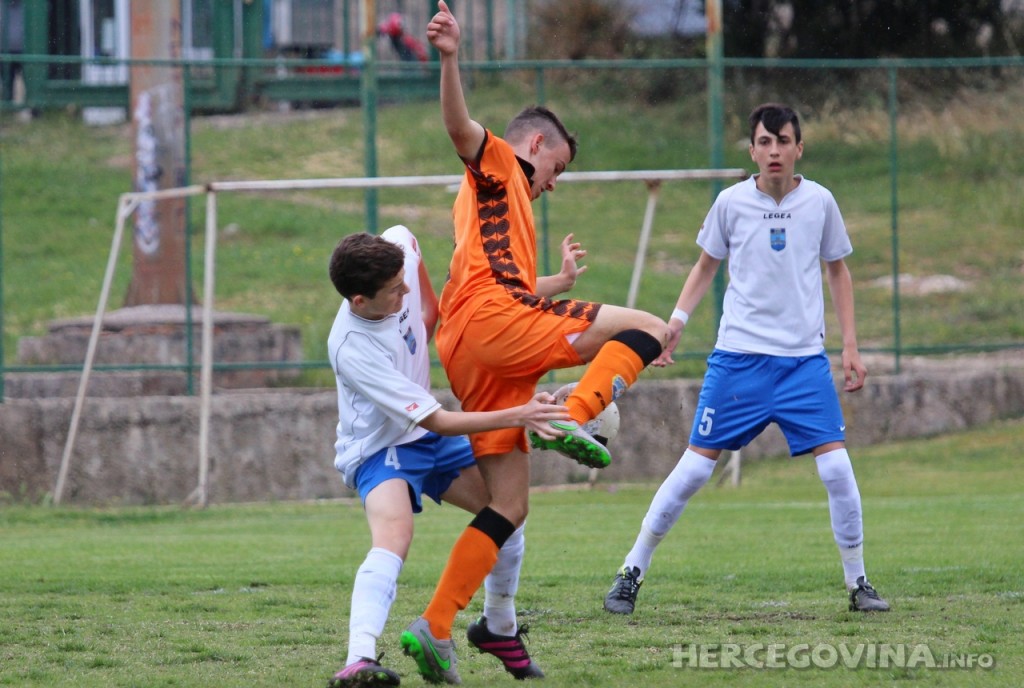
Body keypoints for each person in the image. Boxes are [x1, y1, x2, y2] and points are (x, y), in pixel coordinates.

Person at [397, 3, 671, 684]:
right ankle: (575, 419)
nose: (553, 185)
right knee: (650, 328)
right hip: (497, 323)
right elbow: (459, 128)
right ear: (537, 148)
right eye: (559, 170)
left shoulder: (497, 210)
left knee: (509, 505)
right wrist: (451, 59)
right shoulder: (498, 165)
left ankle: (438, 627)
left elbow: (502, 276)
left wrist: (560, 281)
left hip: (471, 344)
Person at [602, 103, 890, 617]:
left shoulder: (821, 201)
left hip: (803, 365)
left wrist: (849, 345)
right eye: (764, 142)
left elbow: (839, 272)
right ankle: (631, 571)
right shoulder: (730, 203)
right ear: (753, 150)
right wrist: (675, 325)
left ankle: (858, 582)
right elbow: (705, 266)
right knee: (692, 472)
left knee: (839, 472)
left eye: (783, 141)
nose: (774, 151)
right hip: (738, 362)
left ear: (799, 147)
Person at [325, 226, 570, 687]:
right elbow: (438, 420)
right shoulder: (351, 347)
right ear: (359, 301)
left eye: (404, 282)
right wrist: (520, 413)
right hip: (378, 448)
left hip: (423, 429)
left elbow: (436, 306)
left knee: (507, 509)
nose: (404, 292)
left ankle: (499, 626)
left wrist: (551, 284)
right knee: (395, 535)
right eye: (393, 292)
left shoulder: (399, 243)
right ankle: (359, 659)